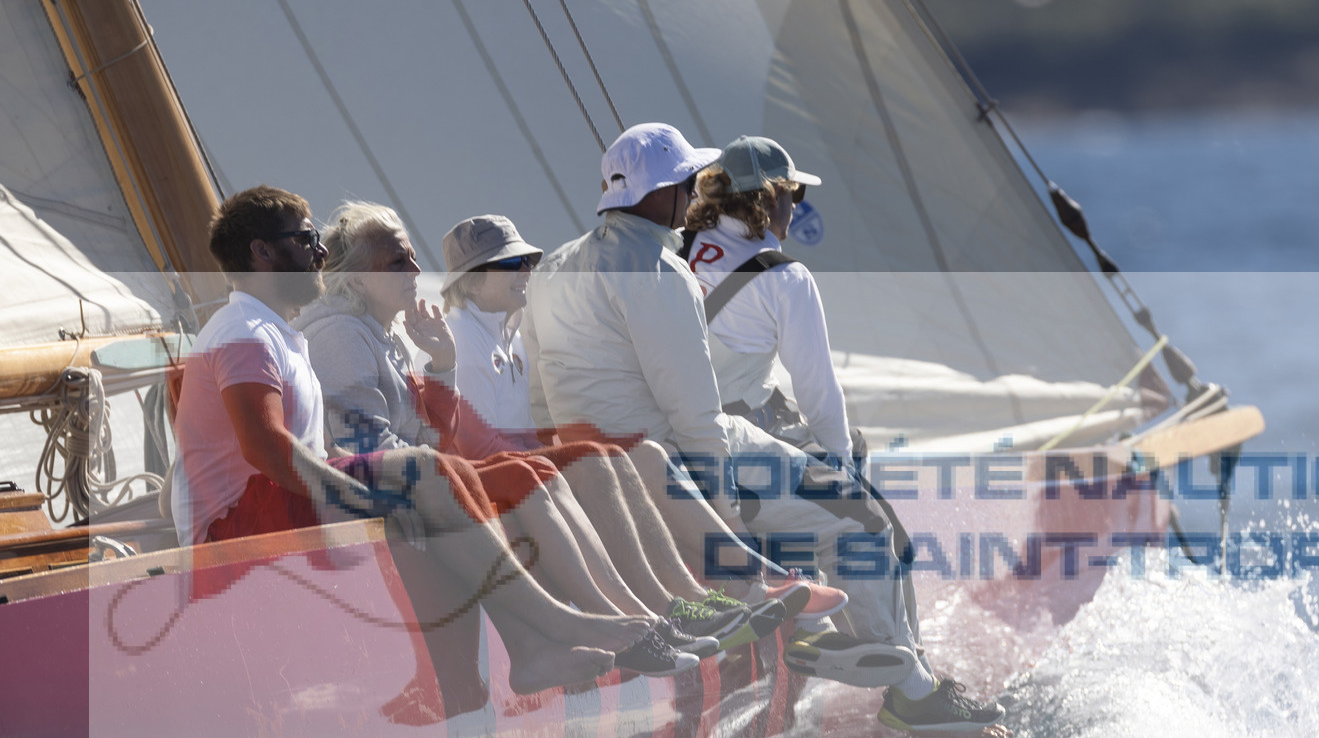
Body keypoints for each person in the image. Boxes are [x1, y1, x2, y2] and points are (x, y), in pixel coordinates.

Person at [525, 123, 1003, 734]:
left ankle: (813, 626)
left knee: (802, 498)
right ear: (671, 188)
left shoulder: (557, 266)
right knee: (862, 516)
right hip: (676, 459)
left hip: (594, 468)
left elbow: (541, 398)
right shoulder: (664, 272)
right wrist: (719, 522)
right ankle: (910, 689)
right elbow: (699, 416)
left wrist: (573, 471)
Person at [170, 185, 654, 701]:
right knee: (430, 473)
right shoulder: (246, 331)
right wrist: (366, 499)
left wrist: (437, 393)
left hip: (273, 504)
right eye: (307, 239)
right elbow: (266, 448)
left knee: (444, 473)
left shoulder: (277, 332)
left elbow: (385, 444)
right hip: (234, 529)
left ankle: (538, 646)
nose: (320, 253)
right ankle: (557, 627)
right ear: (262, 253)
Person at [295, 200, 765, 675]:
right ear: (355, 279)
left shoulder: (383, 332)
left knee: (607, 456)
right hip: (396, 495)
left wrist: (441, 367)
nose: (416, 270)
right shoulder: (341, 335)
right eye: (397, 261)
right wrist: (449, 376)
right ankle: (636, 617)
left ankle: (666, 604)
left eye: (412, 256)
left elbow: (433, 439)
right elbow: (376, 449)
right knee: (553, 466)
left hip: (432, 474)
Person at [442, 212, 848, 628]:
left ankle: (738, 587)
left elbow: (534, 415)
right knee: (637, 459)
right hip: (504, 484)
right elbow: (475, 447)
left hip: (528, 468)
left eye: (527, 261)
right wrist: (572, 454)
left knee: (647, 455)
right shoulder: (461, 337)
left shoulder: (508, 331)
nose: (526, 271)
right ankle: (750, 585)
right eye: (511, 264)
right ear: (470, 281)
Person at [680, 136, 850, 464]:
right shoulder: (787, 278)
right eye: (795, 192)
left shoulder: (673, 242)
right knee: (863, 508)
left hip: (665, 423)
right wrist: (844, 471)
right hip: (735, 442)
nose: (797, 204)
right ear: (772, 197)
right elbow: (819, 394)